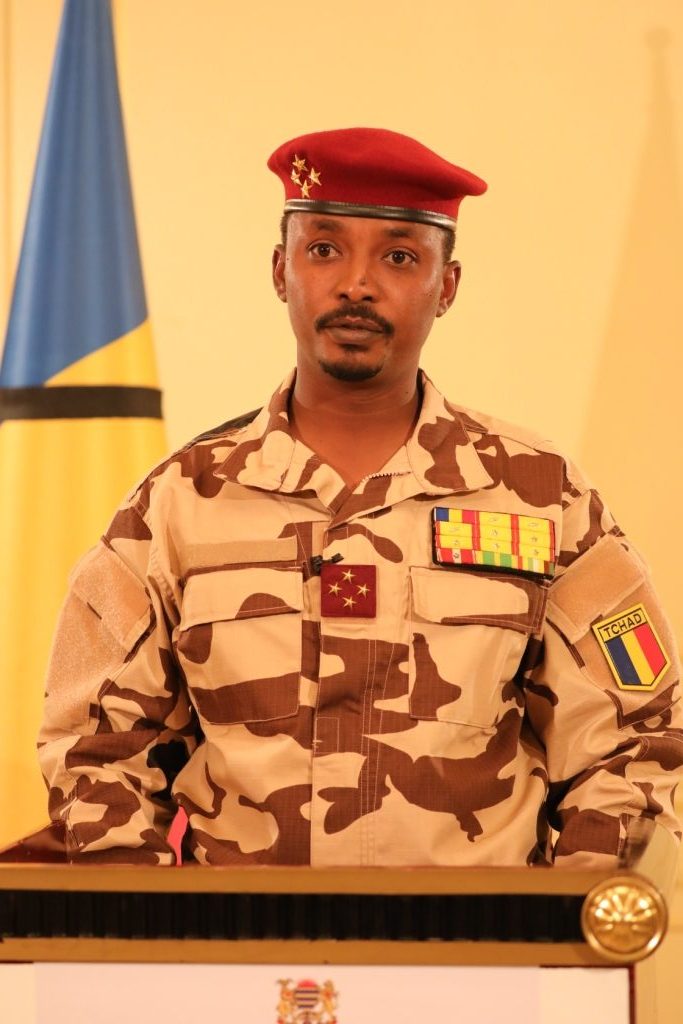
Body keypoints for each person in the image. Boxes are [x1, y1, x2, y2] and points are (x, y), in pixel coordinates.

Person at [38, 128, 682, 867]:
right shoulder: (180, 504)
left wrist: (573, 917)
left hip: (480, 934)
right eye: (324, 249)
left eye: (399, 257)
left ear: (447, 285)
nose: (356, 284)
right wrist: (156, 924)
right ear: (280, 271)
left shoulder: (541, 498)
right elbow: (93, 752)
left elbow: (636, 740)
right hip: (241, 936)